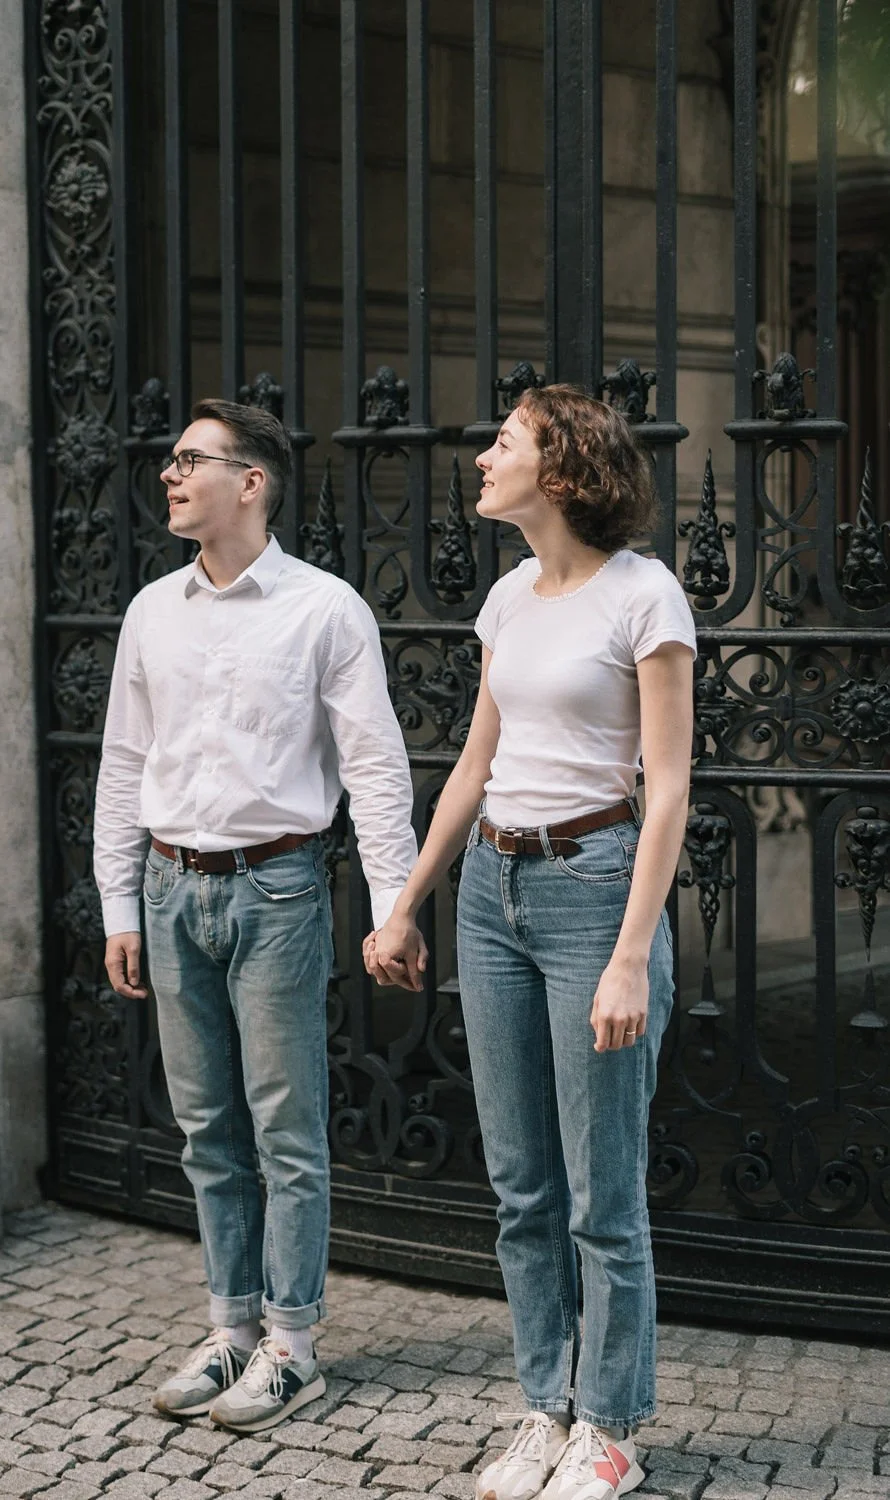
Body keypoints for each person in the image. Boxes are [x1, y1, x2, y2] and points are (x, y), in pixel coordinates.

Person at [365, 386, 695, 1500]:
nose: (482, 456)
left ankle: (610, 1427)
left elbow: (668, 790)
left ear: (560, 470)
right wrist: (407, 901)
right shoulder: (508, 597)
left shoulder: (644, 596)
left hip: (594, 891)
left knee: (602, 1191)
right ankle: (544, 1407)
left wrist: (630, 955)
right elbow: (475, 763)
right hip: (493, 891)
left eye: (503, 441)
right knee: (520, 1187)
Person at [94, 398, 417, 1432]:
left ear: (252, 482)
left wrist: (393, 906)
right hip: (169, 886)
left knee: (285, 1129)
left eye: (190, 459)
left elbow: (374, 767)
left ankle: (292, 1347)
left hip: (278, 889)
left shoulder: (325, 611)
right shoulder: (153, 610)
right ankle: (230, 1329)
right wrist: (119, 902)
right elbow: (123, 763)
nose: (169, 475)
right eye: (170, 460)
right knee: (206, 1130)